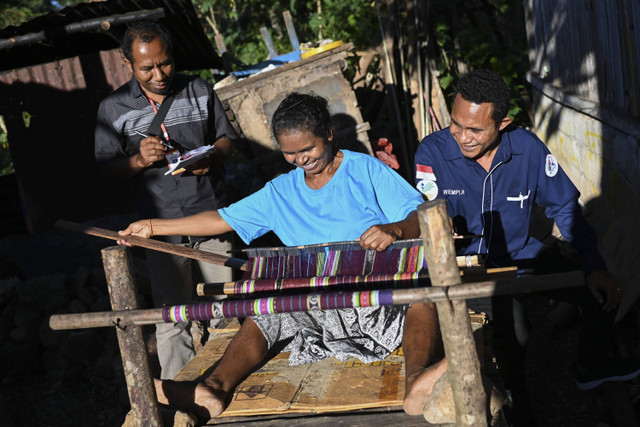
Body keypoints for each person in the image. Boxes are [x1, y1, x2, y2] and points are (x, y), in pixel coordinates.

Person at [118, 92, 447, 419]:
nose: (301, 159)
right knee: (268, 311)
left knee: (423, 297)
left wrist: (395, 230)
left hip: (378, 300)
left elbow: (422, 213)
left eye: (308, 149)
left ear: (328, 134)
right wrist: (151, 226)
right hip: (320, 309)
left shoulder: (365, 171)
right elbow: (223, 218)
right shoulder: (281, 192)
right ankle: (214, 387)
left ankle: (417, 380)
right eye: (290, 154)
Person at [414, 69, 640, 420]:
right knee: (513, 333)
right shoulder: (432, 152)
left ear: (503, 123)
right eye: (456, 124)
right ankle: (519, 404)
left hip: (522, 254)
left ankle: (591, 368)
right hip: (472, 265)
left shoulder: (528, 149)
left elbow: (565, 208)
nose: (461, 136)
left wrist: (594, 266)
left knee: (601, 293)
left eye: (475, 129)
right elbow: (429, 213)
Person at [95, 21, 237, 380]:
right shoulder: (112, 109)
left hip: (211, 219)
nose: (159, 74)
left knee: (229, 310)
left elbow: (226, 140)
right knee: (172, 319)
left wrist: (211, 158)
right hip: (159, 231)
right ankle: (182, 395)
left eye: (165, 63)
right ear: (127, 63)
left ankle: (234, 384)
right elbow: (108, 170)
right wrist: (138, 160)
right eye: (147, 68)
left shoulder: (199, 89)